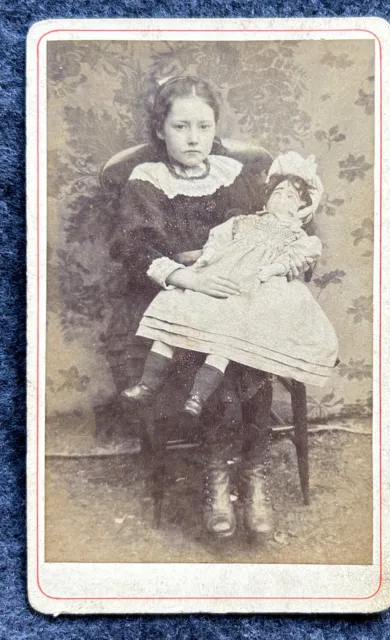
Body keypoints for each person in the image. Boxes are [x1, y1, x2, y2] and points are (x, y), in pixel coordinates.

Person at [108, 76, 313, 539]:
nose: (194, 138)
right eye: (181, 126)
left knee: (252, 354)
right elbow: (136, 250)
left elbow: (269, 230)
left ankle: (254, 471)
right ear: (160, 129)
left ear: (216, 127)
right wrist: (193, 275)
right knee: (214, 367)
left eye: (204, 126)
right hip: (179, 298)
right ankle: (218, 474)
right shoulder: (146, 181)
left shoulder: (235, 177)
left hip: (240, 296)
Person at [123, 151, 338, 419]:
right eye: (277, 193)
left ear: (302, 208)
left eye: (290, 197)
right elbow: (218, 238)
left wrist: (274, 268)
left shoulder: (300, 236)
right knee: (178, 306)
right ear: (267, 196)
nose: (281, 199)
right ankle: (147, 384)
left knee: (229, 335)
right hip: (220, 276)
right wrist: (209, 255)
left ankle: (197, 397)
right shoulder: (243, 221)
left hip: (257, 289)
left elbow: (299, 258)